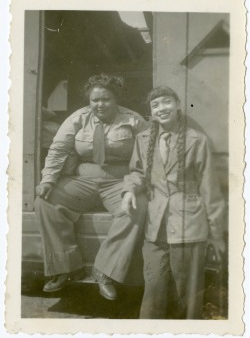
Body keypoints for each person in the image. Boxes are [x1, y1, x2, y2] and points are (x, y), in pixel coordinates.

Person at [35, 73, 148, 300]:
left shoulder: (134, 120)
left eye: (105, 99)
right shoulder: (78, 118)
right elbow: (58, 150)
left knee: (137, 206)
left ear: (116, 99)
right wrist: (48, 179)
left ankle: (105, 272)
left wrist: (132, 188)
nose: (99, 105)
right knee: (45, 201)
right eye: (94, 100)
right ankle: (66, 268)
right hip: (83, 179)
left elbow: (146, 161)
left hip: (119, 180)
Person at [121, 86, 226, 318]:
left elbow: (210, 189)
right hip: (155, 226)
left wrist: (217, 235)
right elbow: (137, 172)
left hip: (188, 227)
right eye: (155, 105)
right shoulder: (143, 139)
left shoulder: (196, 140)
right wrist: (129, 190)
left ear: (178, 104)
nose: (161, 108)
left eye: (166, 102)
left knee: (187, 295)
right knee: (153, 292)